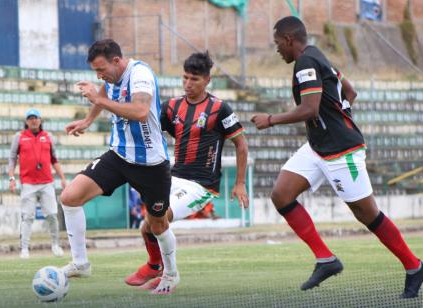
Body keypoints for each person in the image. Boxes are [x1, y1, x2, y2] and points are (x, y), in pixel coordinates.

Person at [251, 16, 422, 298]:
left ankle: (414, 266)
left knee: (367, 214)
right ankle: (326, 259)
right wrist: (341, 115)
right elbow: (350, 91)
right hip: (319, 146)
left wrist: (270, 119)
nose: (277, 48)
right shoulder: (318, 55)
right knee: (281, 194)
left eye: (278, 43)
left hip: (341, 151)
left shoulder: (306, 63)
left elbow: (310, 110)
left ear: (289, 40)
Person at [60, 39, 179, 295]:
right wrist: (87, 120)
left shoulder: (140, 74)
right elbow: (104, 92)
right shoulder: (112, 78)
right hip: (119, 156)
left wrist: (98, 101)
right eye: (95, 71)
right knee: (70, 197)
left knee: (157, 224)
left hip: (151, 164)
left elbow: (140, 111)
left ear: (117, 61)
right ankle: (80, 263)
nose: (99, 76)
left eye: (101, 69)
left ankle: (171, 274)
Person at [124, 52, 249, 289]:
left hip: (202, 185)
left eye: (195, 79)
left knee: (159, 217)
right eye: (185, 78)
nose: (188, 84)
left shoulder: (219, 109)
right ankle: (155, 266)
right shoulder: (171, 107)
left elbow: (241, 144)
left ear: (207, 81)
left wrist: (240, 183)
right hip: (173, 177)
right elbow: (154, 129)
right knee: (146, 225)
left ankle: (170, 276)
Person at [8, 108, 67, 259]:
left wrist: (62, 178)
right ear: (26, 121)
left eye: (36, 118)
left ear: (40, 120)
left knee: (52, 215)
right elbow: (13, 158)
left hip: (47, 182)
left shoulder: (48, 136)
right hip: (28, 183)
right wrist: (12, 178)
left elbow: (54, 159)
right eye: (30, 118)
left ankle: (55, 245)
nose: (33, 120)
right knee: (27, 216)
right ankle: (24, 248)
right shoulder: (19, 137)